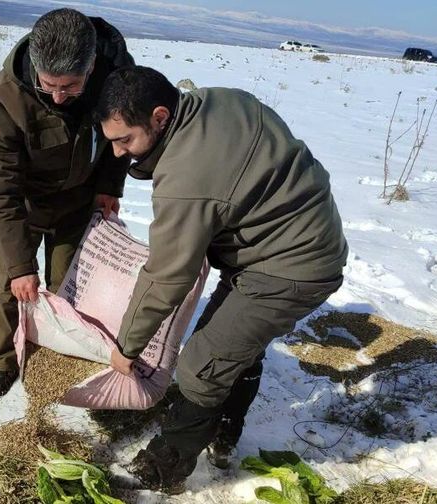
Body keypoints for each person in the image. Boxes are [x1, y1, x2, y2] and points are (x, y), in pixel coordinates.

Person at [95, 66, 348, 493]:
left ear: (159, 117)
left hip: (292, 265)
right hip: (288, 242)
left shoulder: (185, 177)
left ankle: (164, 470)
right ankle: (225, 434)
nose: (119, 153)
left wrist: (127, 345)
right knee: (232, 345)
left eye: (125, 140)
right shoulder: (217, 101)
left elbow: (168, 274)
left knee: (201, 365)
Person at [0, 8, 134, 400]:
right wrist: (19, 266)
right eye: (49, 86)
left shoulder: (116, 83)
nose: (59, 96)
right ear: (34, 64)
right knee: (13, 288)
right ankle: (4, 363)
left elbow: (123, 138)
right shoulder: (3, 100)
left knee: (67, 287)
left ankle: (53, 356)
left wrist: (110, 187)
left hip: (79, 202)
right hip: (25, 207)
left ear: (92, 64)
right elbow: (2, 189)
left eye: (72, 86)